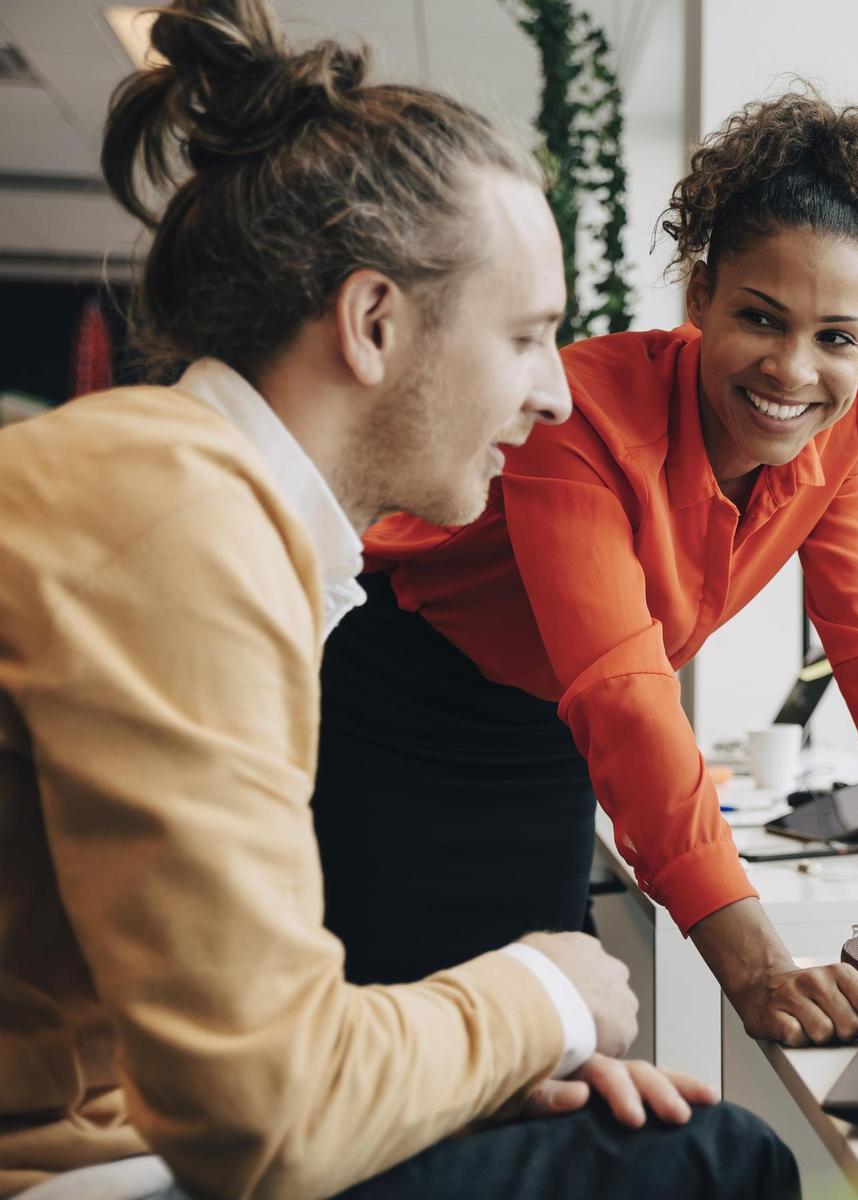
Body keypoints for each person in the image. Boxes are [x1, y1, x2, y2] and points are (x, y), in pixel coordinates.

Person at [0, 3, 795, 1198]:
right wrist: (539, 995)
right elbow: (262, 1116)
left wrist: (475, 1066)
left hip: (131, 1136)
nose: (555, 398)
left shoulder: (196, 501)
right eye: (527, 338)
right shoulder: (175, 519)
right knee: (712, 1164)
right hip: (76, 1175)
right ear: (374, 324)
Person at [311, 91, 858, 1045]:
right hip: (394, 698)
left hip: (544, 730)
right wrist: (757, 966)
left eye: (836, 338)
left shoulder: (841, 428)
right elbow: (622, 686)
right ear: (700, 295)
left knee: (539, 1046)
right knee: (390, 1036)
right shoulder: (578, 415)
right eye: (760, 317)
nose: (792, 370)